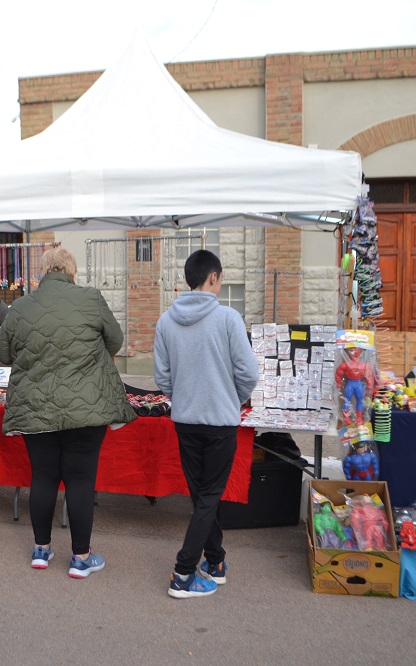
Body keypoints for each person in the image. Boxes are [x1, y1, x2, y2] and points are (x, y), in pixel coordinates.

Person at [0, 246, 135, 577]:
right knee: (81, 481)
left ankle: (41, 550)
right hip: (87, 406)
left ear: (42, 273)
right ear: (73, 272)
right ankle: (81, 558)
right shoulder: (91, 298)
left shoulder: (21, 306)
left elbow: (2, 352)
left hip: (35, 407)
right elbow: (115, 340)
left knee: (43, 477)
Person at [153, 249, 258, 599]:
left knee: (202, 496)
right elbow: (248, 373)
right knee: (209, 496)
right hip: (219, 421)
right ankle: (183, 573)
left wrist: (183, 397)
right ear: (213, 277)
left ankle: (215, 561)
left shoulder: (165, 321)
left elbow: (162, 377)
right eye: (221, 278)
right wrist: (232, 398)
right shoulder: (228, 318)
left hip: (186, 420)